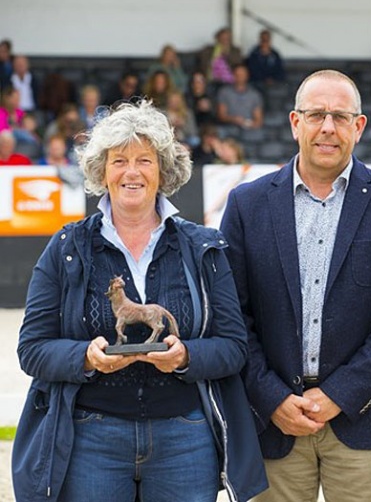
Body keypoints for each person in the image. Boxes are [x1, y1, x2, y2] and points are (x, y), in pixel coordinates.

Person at [11, 100, 267, 502]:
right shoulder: (67, 246)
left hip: (186, 437)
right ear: (102, 171)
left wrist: (185, 357)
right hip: (90, 437)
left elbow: (234, 347)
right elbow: (32, 349)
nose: (132, 171)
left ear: (163, 171)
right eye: (119, 161)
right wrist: (85, 357)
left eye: (145, 160)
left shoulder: (202, 246)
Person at [220, 69, 371, 502]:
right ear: (296, 123)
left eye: (339, 116)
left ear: (359, 125)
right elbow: (231, 316)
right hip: (272, 424)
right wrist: (272, 398)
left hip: (362, 420)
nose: (327, 127)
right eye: (316, 115)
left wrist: (340, 394)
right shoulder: (246, 205)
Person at [216, 63, 264, 130]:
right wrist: (233, 119)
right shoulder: (224, 92)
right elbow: (221, 115)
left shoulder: (255, 95)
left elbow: (258, 120)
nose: (240, 77)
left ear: (247, 76)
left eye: (242, 75)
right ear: (233, 76)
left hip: (248, 128)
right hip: (229, 127)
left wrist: (249, 124)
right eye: (237, 75)